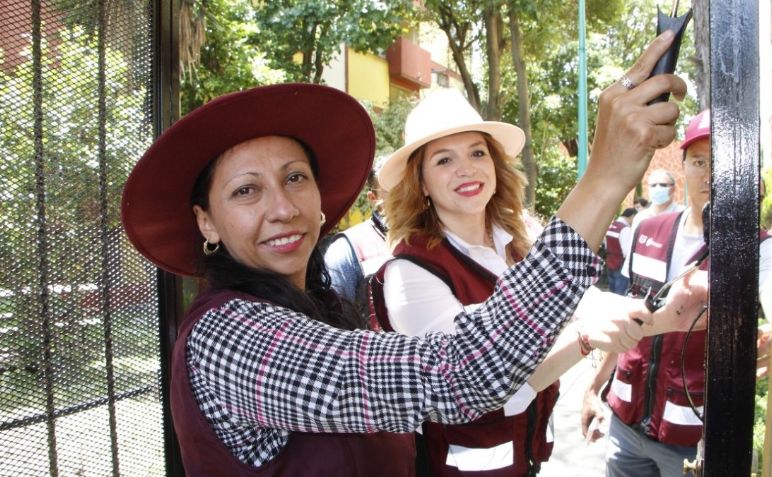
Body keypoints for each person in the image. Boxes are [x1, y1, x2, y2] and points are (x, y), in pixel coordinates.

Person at [120, 34, 701, 476]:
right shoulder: (231, 337)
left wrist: (656, 320)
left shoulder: (312, 306)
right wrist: (603, 179)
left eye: (295, 178)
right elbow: (462, 373)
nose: (282, 207)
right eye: (246, 190)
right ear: (205, 221)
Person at [368, 77, 695, 474]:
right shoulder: (408, 274)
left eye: (477, 152)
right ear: (420, 183)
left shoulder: (521, 236)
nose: (466, 169)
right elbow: (482, 382)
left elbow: (581, 299)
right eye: (444, 160)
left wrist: (657, 313)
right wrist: (586, 338)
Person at [580, 109, 772, 477]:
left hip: (694, 439)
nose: (708, 174)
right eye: (699, 161)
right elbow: (627, 316)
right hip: (625, 423)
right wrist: (594, 388)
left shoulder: (760, 249)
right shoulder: (647, 229)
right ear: (683, 167)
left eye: (720, 162)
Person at [324, 161, 391, 324]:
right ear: (373, 198)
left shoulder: (437, 234)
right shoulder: (346, 249)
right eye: (391, 189)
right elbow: (336, 321)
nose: (404, 194)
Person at [605, 208, 638, 296]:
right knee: (619, 293)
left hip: (610, 261)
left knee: (612, 290)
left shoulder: (612, 225)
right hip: (620, 263)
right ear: (632, 216)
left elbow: (605, 244)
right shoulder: (625, 229)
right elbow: (626, 252)